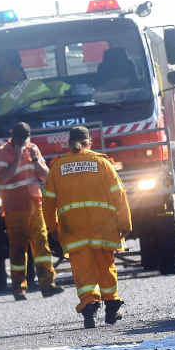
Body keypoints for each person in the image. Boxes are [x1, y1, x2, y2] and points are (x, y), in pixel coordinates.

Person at [42, 127, 132, 329]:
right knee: (106, 267)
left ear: (69, 143)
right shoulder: (102, 163)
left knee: (83, 272)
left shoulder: (57, 167)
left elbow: (47, 202)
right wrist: (125, 223)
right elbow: (119, 194)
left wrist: (51, 228)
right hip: (103, 227)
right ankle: (112, 307)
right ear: (89, 142)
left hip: (74, 230)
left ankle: (89, 309)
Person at [0, 122, 64, 300]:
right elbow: (2, 178)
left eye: (24, 139)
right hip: (13, 207)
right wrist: (17, 156)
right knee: (18, 248)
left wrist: (34, 159)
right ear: (13, 138)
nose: (23, 142)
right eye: (19, 140)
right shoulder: (3, 151)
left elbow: (46, 175)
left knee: (42, 244)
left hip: (34, 204)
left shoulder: (33, 148)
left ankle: (47, 285)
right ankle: (19, 288)